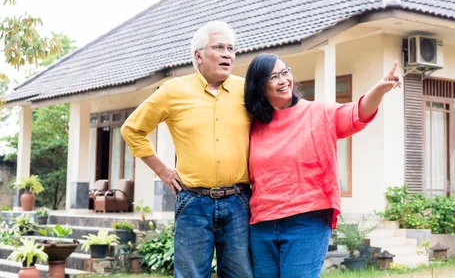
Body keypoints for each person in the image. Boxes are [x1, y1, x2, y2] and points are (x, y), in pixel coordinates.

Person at [244, 53, 401, 278]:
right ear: (259, 87)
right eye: (273, 77)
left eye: (285, 72)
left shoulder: (318, 112)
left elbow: (357, 113)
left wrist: (379, 89)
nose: (283, 80)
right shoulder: (253, 126)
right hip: (262, 224)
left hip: (306, 220)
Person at [121, 21, 253, 278]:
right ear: (198, 55)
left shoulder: (246, 89)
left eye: (231, 48)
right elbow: (132, 130)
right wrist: (161, 170)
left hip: (239, 202)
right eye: (218, 47)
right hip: (193, 203)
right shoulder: (173, 91)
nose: (227, 54)